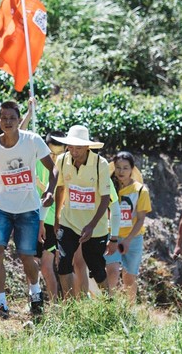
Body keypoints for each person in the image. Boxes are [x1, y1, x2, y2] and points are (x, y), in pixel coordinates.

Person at [0, 101, 57, 318]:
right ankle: (1, 302)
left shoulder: (32, 141)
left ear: (19, 120)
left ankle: (35, 295)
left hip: (29, 208)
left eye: (12, 117)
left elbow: (52, 168)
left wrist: (50, 190)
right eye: (3, 118)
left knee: (26, 255)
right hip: (2, 207)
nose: (7, 121)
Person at [52, 124, 111, 299]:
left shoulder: (101, 164)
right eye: (71, 146)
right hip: (69, 221)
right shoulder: (62, 160)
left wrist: (92, 226)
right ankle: (69, 307)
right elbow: (60, 189)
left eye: (78, 147)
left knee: (97, 269)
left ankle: (110, 303)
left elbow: (106, 198)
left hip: (95, 225)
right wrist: (56, 218)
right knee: (63, 262)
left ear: (87, 146)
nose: (74, 151)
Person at [103, 151, 151, 302]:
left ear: (132, 169)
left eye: (125, 168)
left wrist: (128, 240)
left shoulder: (140, 190)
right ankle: (107, 305)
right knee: (112, 271)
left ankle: (129, 309)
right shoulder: (107, 186)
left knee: (129, 277)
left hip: (133, 238)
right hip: (112, 236)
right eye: (118, 167)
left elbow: (141, 219)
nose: (121, 171)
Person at [34, 133, 63, 302]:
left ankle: (53, 303)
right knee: (30, 263)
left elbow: (54, 191)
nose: (54, 157)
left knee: (46, 266)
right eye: (51, 153)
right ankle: (34, 300)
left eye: (59, 154)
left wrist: (39, 184)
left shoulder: (62, 166)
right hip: (31, 217)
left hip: (50, 221)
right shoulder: (36, 160)